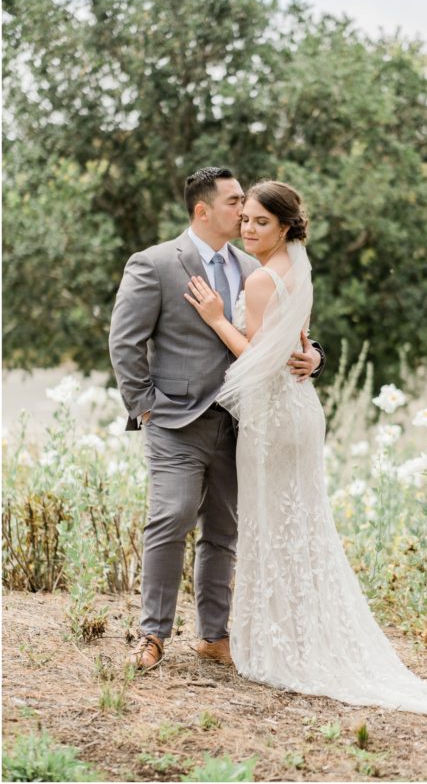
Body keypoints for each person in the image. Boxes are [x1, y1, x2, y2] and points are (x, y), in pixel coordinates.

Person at [184, 179, 427, 715]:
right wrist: (314, 356)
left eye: (260, 222)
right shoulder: (300, 266)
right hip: (301, 411)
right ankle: (296, 633)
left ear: (286, 227)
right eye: (244, 218)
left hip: (274, 418)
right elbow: (297, 339)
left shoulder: (262, 281)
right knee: (301, 527)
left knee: (274, 525)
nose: (248, 229)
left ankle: (280, 645)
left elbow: (259, 359)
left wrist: (216, 320)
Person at [109, 167, 324, 671]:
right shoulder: (155, 263)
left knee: (224, 530)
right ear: (203, 210)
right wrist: (144, 405)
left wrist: (315, 353)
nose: (243, 211)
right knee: (171, 517)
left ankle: (213, 636)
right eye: (234, 203)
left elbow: (285, 331)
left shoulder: (257, 267)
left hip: (242, 422)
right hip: (175, 420)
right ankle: (152, 634)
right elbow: (125, 341)